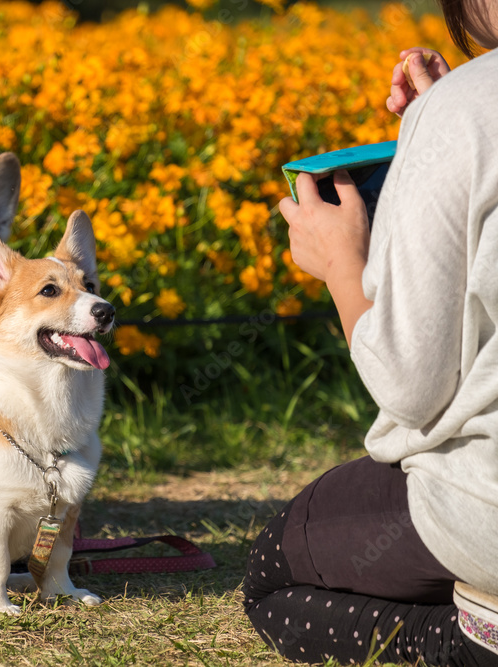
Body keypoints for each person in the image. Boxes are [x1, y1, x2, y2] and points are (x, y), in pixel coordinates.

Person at [242, 0, 498, 664]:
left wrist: (340, 263)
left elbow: (411, 383)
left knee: (275, 570)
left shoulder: (467, 108)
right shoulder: (465, 105)